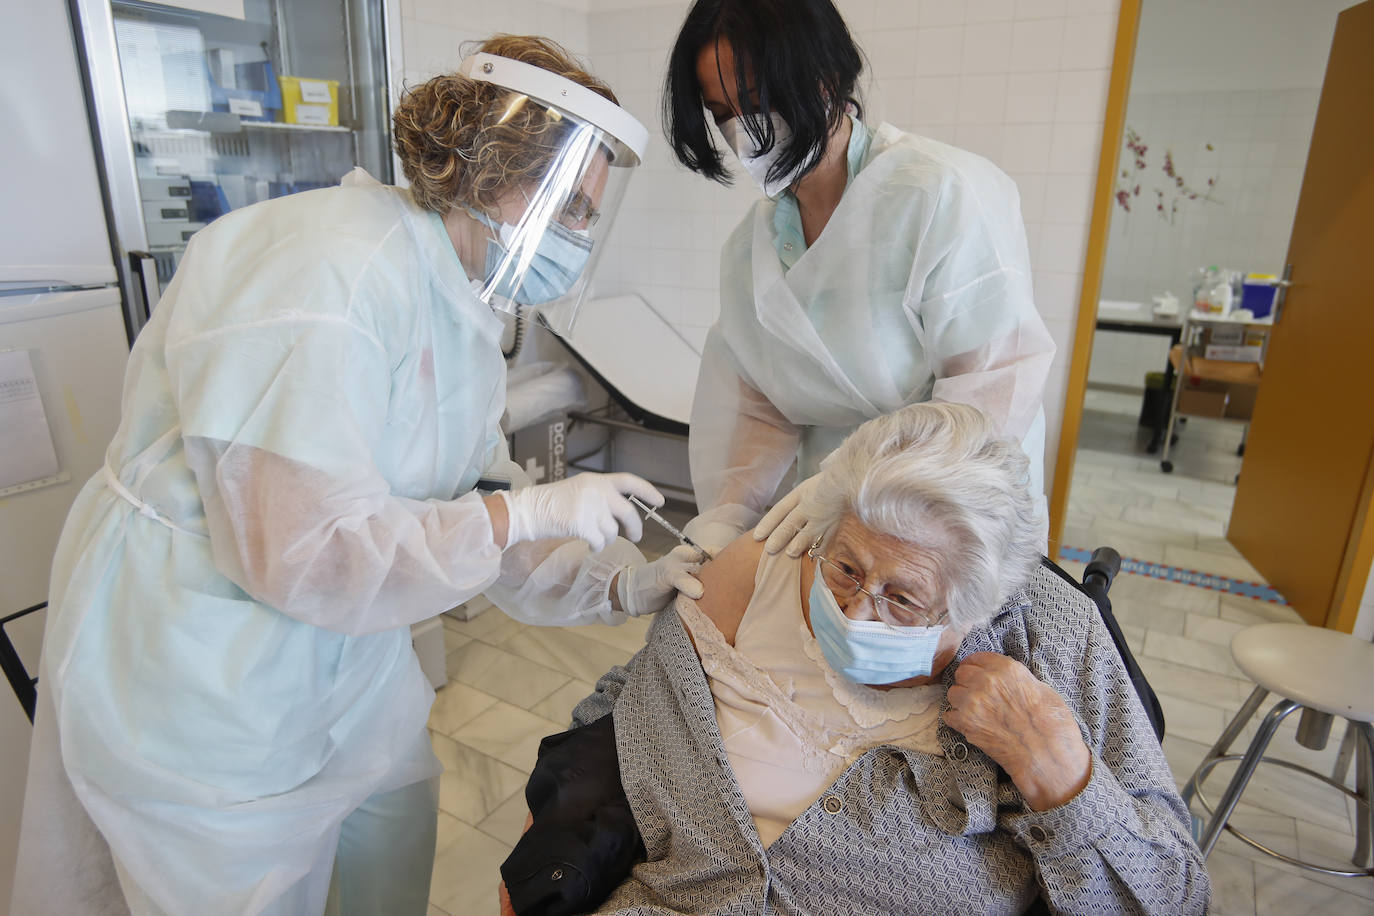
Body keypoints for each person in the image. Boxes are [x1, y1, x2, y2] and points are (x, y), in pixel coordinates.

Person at [10, 36, 703, 916]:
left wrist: (621, 584)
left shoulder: (459, 299)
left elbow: (467, 501)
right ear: (484, 172)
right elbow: (300, 550)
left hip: (345, 655)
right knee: (242, 892)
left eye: (587, 216)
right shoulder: (324, 273)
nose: (576, 236)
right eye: (565, 205)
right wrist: (519, 516)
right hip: (205, 665)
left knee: (388, 836)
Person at [503, 403, 1210, 915]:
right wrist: (548, 841)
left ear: (979, 604)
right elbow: (626, 709)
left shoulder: (1051, 637)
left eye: (903, 599)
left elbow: (1176, 899)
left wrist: (1062, 777)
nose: (857, 610)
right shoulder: (772, 560)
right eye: (846, 569)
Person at [665, 0, 1058, 559]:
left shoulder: (939, 195)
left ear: (825, 77)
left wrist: (856, 477)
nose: (742, 132)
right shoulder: (748, 254)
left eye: (755, 102)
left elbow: (991, 396)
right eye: (722, 112)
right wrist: (724, 523)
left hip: (952, 517)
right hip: (835, 525)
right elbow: (762, 405)